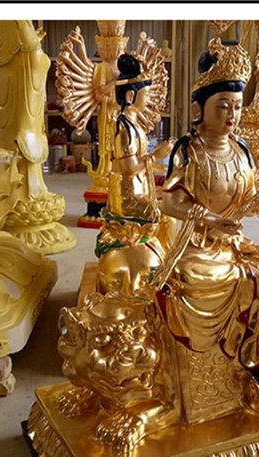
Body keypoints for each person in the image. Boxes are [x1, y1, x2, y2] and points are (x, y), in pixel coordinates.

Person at [160, 38, 259, 394]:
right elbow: (169, 203)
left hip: (234, 243)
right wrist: (208, 218)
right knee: (193, 277)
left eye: (237, 107)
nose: (231, 115)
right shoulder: (188, 151)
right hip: (197, 248)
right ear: (200, 108)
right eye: (223, 106)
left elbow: (246, 199)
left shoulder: (242, 150)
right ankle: (251, 285)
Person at [96, 52, 173, 296]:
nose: (148, 100)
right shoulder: (124, 127)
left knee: (169, 200)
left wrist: (160, 168)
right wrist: (156, 156)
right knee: (167, 214)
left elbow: (139, 161)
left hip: (138, 187)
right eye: (145, 95)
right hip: (127, 196)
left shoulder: (134, 124)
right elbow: (128, 167)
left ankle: (163, 262)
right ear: (130, 96)